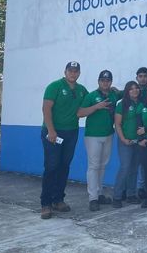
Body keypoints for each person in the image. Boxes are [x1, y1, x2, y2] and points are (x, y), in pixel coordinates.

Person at [40, 61, 88, 219]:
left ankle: (58, 200)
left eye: (76, 71)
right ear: (65, 72)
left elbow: (91, 101)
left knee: (64, 166)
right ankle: (45, 204)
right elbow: (46, 108)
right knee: (51, 166)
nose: (73, 74)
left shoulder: (81, 90)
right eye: (70, 71)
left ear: (79, 73)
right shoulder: (55, 86)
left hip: (71, 133)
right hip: (53, 132)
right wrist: (51, 130)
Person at [77, 70, 118, 211]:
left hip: (108, 135)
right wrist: (96, 107)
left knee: (103, 165)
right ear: (98, 81)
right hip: (93, 136)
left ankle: (99, 194)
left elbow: (128, 92)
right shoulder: (91, 96)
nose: (105, 83)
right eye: (102, 80)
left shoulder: (113, 95)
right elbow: (80, 113)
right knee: (93, 166)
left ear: (111, 82)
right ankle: (93, 198)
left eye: (108, 80)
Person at [112, 81, 142, 208]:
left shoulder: (141, 103)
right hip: (126, 141)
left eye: (136, 88)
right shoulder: (122, 104)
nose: (134, 91)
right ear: (127, 91)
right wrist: (123, 139)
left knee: (134, 168)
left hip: (138, 142)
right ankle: (117, 196)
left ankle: (131, 194)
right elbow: (117, 124)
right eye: (131, 89)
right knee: (125, 167)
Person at [135, 66, 147, 200]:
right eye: (140, 76)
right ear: (136, 78)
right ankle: (135, 188)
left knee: (145, 162)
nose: (143, 78)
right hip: (134, 131)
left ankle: (144, 188)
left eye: (145, 76)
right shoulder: (133, 90)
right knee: (132, 162)